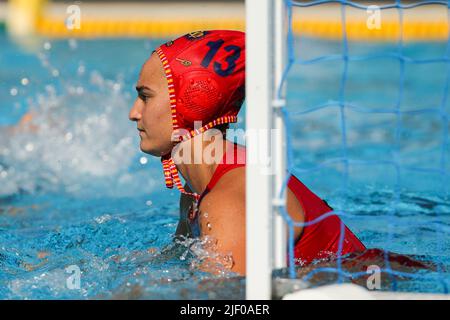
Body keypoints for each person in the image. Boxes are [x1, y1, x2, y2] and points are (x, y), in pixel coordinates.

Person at [128, 30, 366, 275]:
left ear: (193, 100)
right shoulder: (198, 190)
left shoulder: (228, 200)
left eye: (145, 97)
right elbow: (179, 262)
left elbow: (230, 301)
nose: (133, 113)